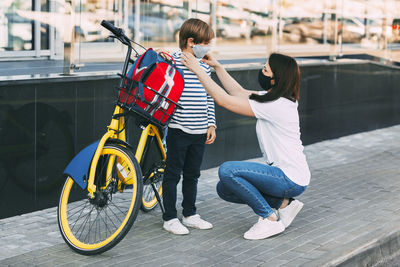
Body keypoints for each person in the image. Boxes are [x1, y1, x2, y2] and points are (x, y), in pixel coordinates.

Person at [180, 51, 310, 240]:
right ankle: (285, 205)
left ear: (275, 79)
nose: (262, 71)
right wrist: (217, 67)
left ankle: (269, 219)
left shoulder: (276, 104)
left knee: (228, 171)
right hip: (289, 176)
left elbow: (224, 100)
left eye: (265, 69)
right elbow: (238, 92)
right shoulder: (274, 98)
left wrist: (197, 69)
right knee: (224, 188)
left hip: (289, 178)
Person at [161, 18, 217, 235]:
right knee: (172, 174)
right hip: (178, 130)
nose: (208, 47)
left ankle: (190, 213)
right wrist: (159, 53)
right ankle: (169, 218)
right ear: (192, 42)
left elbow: (210, 95)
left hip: (200, 131)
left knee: (192, 174)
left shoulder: (205, 66)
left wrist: (211, 123)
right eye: (206, 42)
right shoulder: (174, 62)